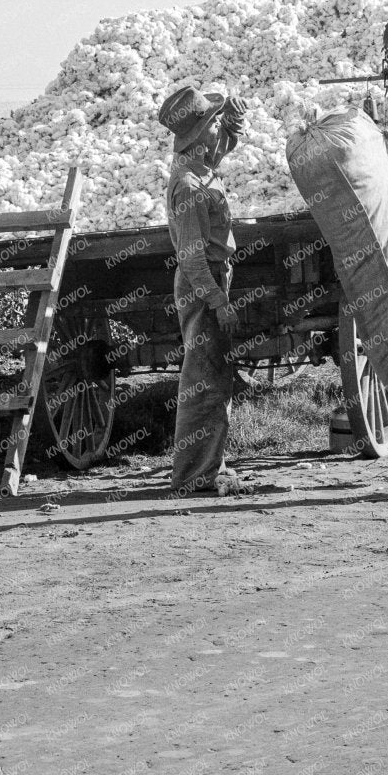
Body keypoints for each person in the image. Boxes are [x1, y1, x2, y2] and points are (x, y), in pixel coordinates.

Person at [158, 83, 249, 495]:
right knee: (203, 377)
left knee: (215, 375)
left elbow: (221, 148)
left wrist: (235, 119)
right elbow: (192, 260)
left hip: (212, 277)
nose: (218, 132)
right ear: (200, 135)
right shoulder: (189, 188)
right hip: (202, 283)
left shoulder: (199, 167)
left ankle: (209, 467)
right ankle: (192, 475)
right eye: (213, 125)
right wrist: (218, 302)